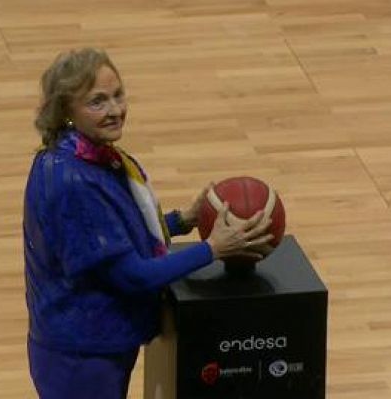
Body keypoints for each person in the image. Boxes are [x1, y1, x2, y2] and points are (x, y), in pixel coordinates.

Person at [23, 47, 273, 399]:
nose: (114, 110)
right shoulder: (74, 182)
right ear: (66, 110)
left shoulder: (87, 157)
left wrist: (181, 220)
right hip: (81, 358)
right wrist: (212, 249)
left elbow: (114, 236)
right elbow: (132, 275)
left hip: (92, 345)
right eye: (97, 102)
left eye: (118, 95)